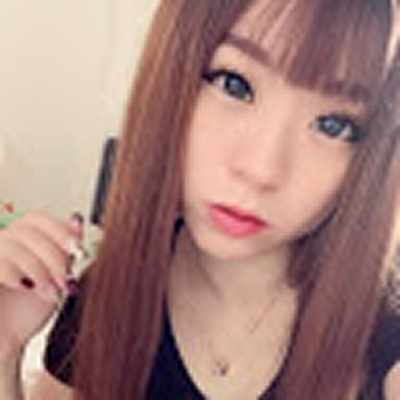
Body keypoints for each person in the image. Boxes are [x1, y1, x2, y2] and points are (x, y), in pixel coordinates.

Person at [0, 0, 399, 399]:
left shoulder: (384, 354)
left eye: (334, 125)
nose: (261, 169)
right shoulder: (105, 297)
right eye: (234, 84)